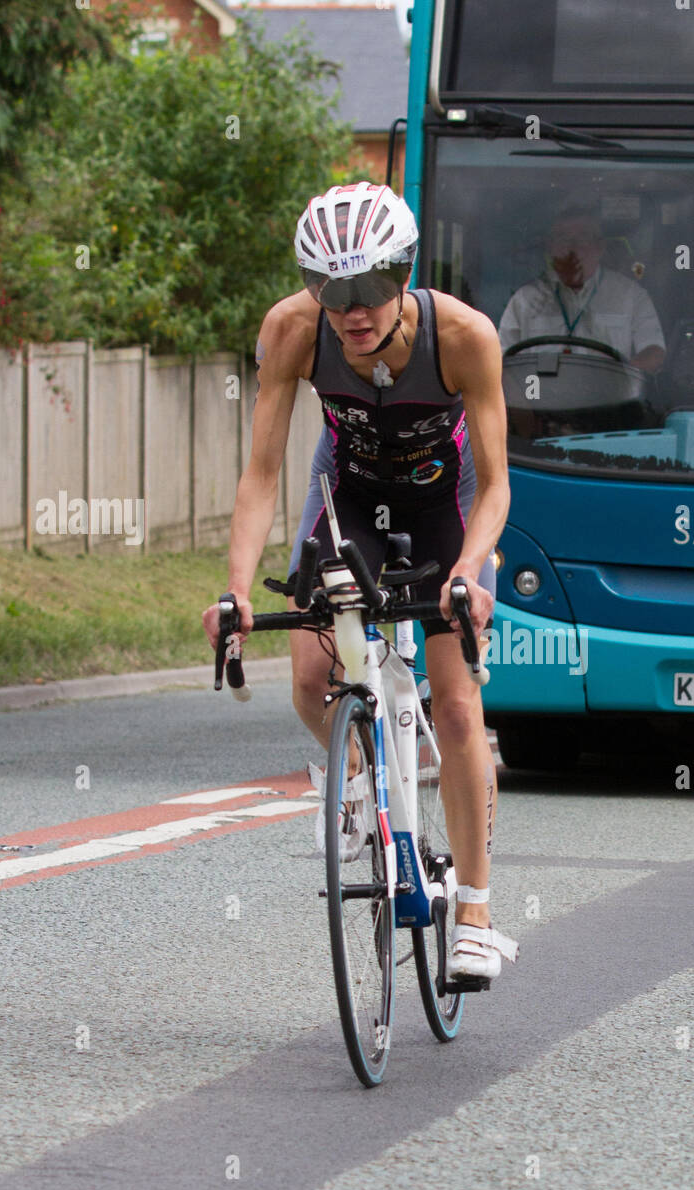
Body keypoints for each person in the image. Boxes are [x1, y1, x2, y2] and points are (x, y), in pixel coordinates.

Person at [202, 183, 516, 984]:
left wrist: (469, 575)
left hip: (444, 503)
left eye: (371, 287)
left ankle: (474, 913)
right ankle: (354, 781)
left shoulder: (465, 337)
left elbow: (497, 486)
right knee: (311, 677)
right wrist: (237, 591)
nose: (352, 309)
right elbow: (263, 472)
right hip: (349, 495)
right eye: (331, 291)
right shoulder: (291, 330)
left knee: (452, 703)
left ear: (404, 272)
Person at [498, 208, 666, 371]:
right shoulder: (524, 300)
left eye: (583, 237)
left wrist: (621, 376)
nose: (573, 246)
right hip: (539, 396)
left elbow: (654, 351)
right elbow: (501, 360)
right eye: (563, 238)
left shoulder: (630, 295)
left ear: (599, 247)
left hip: (612, 398)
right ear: (550, 247)